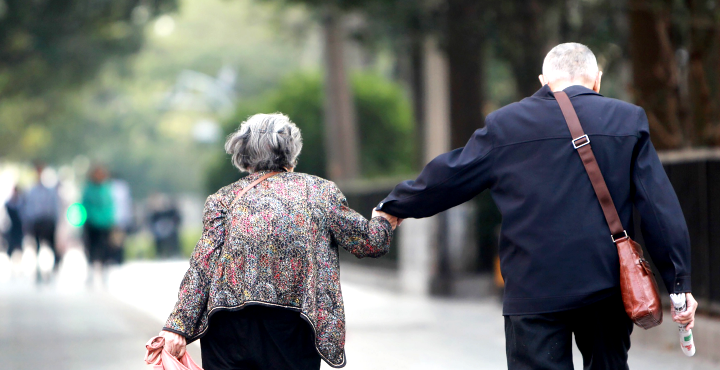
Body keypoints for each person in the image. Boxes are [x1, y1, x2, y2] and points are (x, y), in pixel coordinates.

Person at [375, 43, 696, 370]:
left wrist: (395, 207)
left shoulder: (506, 124)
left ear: (543, 80)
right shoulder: (628, 120)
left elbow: (450, 176)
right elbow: (659, 207)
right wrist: (679, 285)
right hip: (607, 286)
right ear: (597, 80)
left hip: (533, 288)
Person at [158, 113, 397, 370]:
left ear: (243, 152)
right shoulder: (319, 192)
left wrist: (177, 326)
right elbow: (371, 243)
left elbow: (202, 266)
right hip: (293, 328)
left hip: (228, 329)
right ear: (291, 149)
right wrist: (384, 218)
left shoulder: (223, 199)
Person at [22, 163, 61, 275]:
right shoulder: (31, 190)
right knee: (37, 246)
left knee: (51, 246)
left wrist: (56, 221)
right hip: (36, 222)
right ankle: (38, 270)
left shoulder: (51, 190)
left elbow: (55, 207)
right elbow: (28, 208)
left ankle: (54, 268)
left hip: (48, 221)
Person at [82, 165, 115, 273]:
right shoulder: (88, 189)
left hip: (105, 223)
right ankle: (91, 267)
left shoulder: (106, 188)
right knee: (91, 246)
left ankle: (104, 267)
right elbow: (85, 205)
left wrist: (110, 219)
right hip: (91, 223)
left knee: (105, 247)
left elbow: (110, 205)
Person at [4, 186, 24, 257]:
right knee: (11, 243)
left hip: (18, 227)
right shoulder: (9, 202)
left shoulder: (21, 202)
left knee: (19, 243)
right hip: (12, 227)